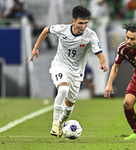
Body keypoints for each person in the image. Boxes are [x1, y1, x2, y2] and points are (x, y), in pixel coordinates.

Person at [30, 5, 108, 137]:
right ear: (73, 21)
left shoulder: (91, 35)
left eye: (86, 23)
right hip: (59, 66)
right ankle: (55, 124)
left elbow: (99, 53)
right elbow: (46, 30)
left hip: (76, 74)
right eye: (80, 23)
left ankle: (60, 122)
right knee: (63, 89)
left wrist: (103, 63)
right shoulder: (62, 29)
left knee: (69, 107)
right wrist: (36, 47)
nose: (83, 26)